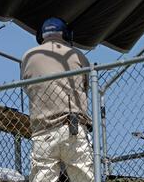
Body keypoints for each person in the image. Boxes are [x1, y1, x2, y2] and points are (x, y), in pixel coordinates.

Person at [21, 17, 94, 182]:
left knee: (42, 177)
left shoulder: (28, 56)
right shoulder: (77, 55)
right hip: (72, 126)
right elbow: (85, 86)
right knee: (83, 177)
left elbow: (27, 87)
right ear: (66, 34)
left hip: (42, 130)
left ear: (41, 35)